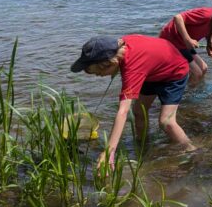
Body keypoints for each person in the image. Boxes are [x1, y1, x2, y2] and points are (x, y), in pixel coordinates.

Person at [69, 34, 194, 171]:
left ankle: (191, 149)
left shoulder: (132, 68)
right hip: (151, 71)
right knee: (139, 113)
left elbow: (122, 112)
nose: (98, 76)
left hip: (175, 72)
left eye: (97, 73)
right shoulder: (116, 47)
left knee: (166, 122)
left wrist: (109, 151)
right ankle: (143, 146)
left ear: (110, 63)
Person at [159, 6, 212, 86]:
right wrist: (188, 39)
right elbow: (178, 18)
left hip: (184, 45)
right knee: (197, 72)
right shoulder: (208, 14)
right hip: (171, 39)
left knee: (204, 68)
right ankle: (188, 95)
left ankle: (191, 89)